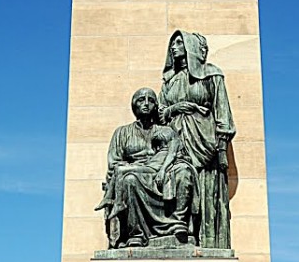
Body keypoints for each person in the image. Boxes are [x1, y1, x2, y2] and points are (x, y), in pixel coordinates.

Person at [159, 31, 236, 249]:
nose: (173, 47)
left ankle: (207, 241)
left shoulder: (211, 74)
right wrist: (176, 108)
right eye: (172, 44)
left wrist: (221, 146)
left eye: (179, 42)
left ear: (190, 46)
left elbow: (223, 113)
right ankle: (180, 232)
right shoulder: (169, 82)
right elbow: (160, 113)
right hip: (176, 140)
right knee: (179, 181)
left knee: (206, 191)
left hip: (204, 141)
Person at [96, 87, 197, 248]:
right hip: (136, 174)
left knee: (184, 171)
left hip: (163, 172)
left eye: (151, 100)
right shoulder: (122, 132)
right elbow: (114, 163)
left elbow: (178, 152)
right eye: (141, 100)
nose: (146, 104)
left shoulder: (166, 131)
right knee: (129, 179)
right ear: (134, 106)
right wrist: (136, 166)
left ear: (156, 106)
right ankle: (136, 234)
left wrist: (164, 167)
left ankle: (177, 223)